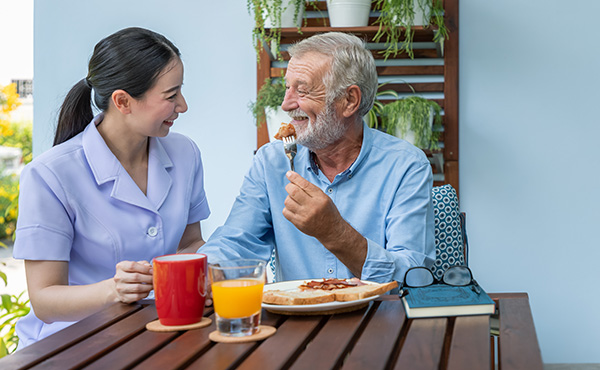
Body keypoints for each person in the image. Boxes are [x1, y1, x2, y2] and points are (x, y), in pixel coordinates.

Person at [12, 27, 210, 348]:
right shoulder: (49, 175)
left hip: (153, 332)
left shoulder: (185, 154)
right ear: (123, 101)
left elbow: (189, 244)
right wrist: (113, 290)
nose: (183, 105)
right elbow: (44, 300)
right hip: (72, 343)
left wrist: (217, 265)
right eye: (171, 96)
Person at [199, 32, 434, 284]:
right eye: (287, 88)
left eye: (302, 91)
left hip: (376, 319)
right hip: (293, 320)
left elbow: (414, 276)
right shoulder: (272, 161)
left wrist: (334, 232)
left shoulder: (406, 165)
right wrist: (200, 271)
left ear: (349, 100)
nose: (286, 104)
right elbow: (236, 243)